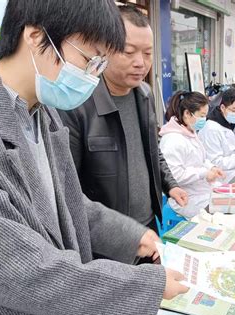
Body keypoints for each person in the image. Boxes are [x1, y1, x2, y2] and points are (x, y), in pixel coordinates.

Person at [0, 1, 188, 315]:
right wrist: (143, 287)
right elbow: (19, 269)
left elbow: (71, 205)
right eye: (90, 59)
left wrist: (136, 236)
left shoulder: (43, 111)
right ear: (36, 37)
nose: (93, 74)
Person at [58, 4, 187, 235]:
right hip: (107, 237)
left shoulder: (144, 94)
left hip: (148, 226)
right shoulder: (77, 105)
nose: (140, 62)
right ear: (103, 49)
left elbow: (152, 150)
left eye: (147, 53)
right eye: (129, 52)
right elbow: (68, 188)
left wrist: (170, 185)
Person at [159, 91, 225, 218]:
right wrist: (203, 173)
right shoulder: (172, 140)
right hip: (186, 198)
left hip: (200, 191)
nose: (204, 120)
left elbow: (201, 159)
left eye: (205, 116)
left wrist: (211, 168)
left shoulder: (189, 131)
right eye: (201, 116)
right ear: (187, 113)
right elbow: (174, 176)